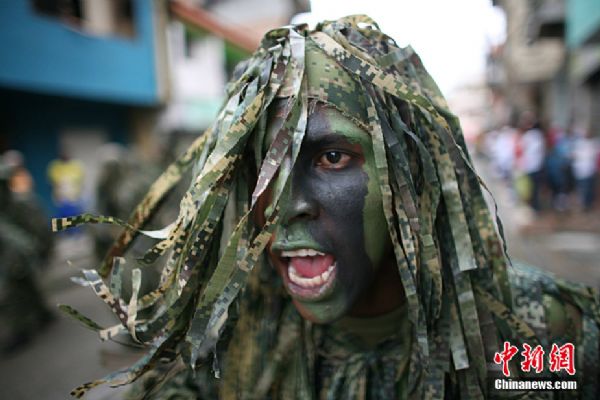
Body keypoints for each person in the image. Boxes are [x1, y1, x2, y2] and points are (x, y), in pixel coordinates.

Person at [54, 16, 599, 399]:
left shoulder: (542, 335)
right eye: (262, 170)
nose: (284, 206)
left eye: (333, 157)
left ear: (407, 176)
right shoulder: (229, 337)